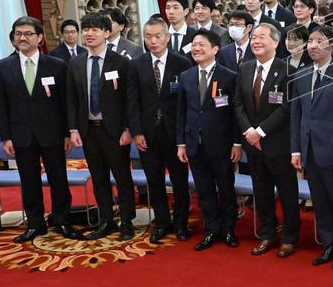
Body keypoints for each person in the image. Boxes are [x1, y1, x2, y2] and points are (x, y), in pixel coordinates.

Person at [0, 17, 82, 242]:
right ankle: (35, 224)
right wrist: (6, 137)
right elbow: (2, 106)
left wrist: (66, 133)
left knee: (58, 178)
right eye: (18, 33)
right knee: (29, 181)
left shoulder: (57, 65)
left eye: (28, 33)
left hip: (52, 134)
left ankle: (62, 220)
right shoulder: (3, 67)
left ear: (40, 38)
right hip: (21, 135)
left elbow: (64, 102)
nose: (22, 37)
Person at [291, 24, 333, 269]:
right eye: (310, 41)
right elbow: (297, 116)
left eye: (319, 41)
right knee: (320, 203)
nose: (313, 46)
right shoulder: (301, 75)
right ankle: (328, 243)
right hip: (309, 151)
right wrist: (296, 149)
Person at [66, 12, 136, 240]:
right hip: (88, 130)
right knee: (98, 177)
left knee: (122, 176)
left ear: (107, 33)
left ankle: (126, 221)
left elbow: (129, 99)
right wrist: (74, 129)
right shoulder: (75, 63)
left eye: (95, 29)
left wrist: (128, 128)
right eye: (85, 29)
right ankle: (106, 220)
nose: (89, 34)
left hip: (115, 131)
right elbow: (72, 99)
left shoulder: (121, 62)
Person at [235, 23, 298, 257]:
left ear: (275, 42)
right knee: (261, 193)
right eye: (253, 37)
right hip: (253, 145)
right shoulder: (245, 68)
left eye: (261, 37)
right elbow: (238, 104)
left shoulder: (287, 70)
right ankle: (267, 234)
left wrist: (260, 131)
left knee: (287, 193)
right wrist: (249, 132)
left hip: (277, 144)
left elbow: (285, 108)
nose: (256, 41)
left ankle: (290, 237)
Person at [127, 17, 193, 243]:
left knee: (179, 181)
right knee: (154, 182)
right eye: (148, 37)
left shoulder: (182, 63)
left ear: (167, 37)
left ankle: (181, 223)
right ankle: (163, 222)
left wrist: (183, 135)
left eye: (157, 36)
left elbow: (186, 103)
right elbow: (132, 101)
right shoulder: (136, 64)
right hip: (148, 134)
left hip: (175, 135)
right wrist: (136, 131)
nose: (153, 41)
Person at [176, 29, 243, 251]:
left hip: (222, 144)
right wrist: (181, 143)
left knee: (226, 189)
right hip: (195, 144)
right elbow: (182, 112)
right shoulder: (186, 76)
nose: (196, 48)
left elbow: (235, 114)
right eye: (194, 44)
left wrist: (236, 142)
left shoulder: (229, 76)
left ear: (215, 49)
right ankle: (211, 229)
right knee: (204, 190)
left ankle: (229, 230)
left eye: (201, 45)